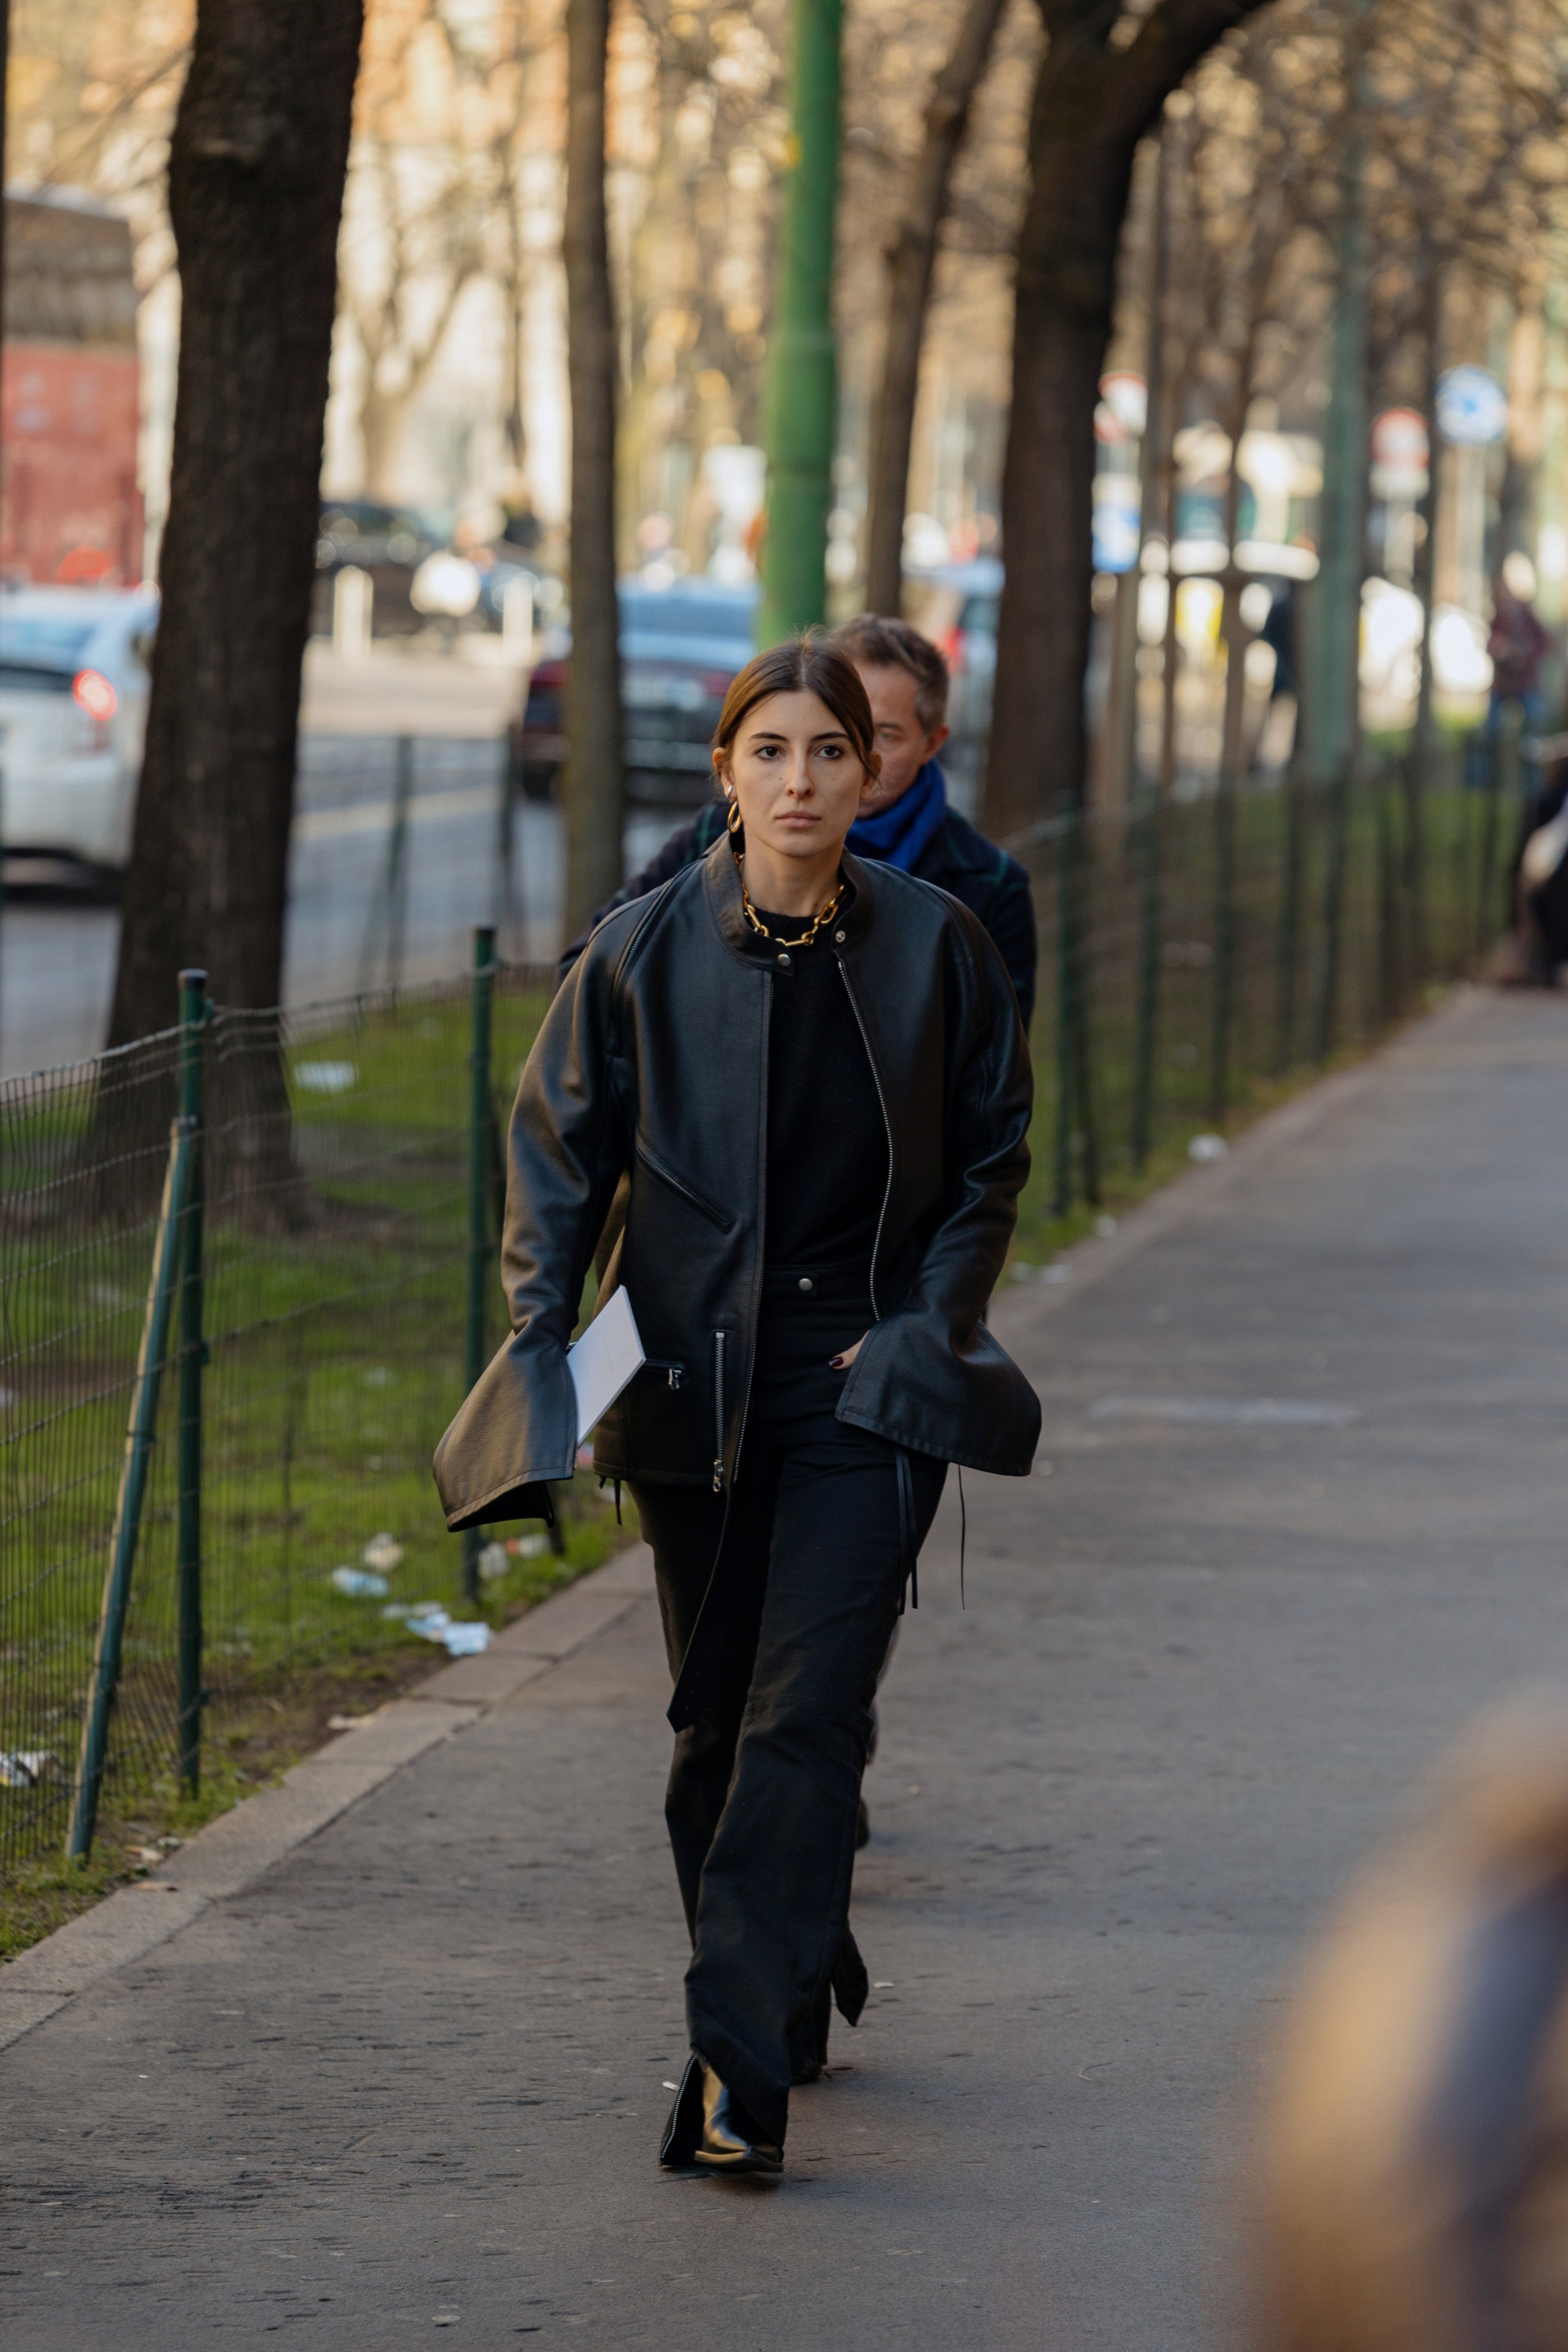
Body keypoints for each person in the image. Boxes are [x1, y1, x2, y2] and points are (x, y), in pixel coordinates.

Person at [435, 634, 1039, 2177]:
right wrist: (535, 1346)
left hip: (861, 1384)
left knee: (808, 1704)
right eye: (767, 751)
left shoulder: (939, 942)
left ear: (870, 769)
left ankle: (729, 2068)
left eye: (828, 752)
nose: (798, 778)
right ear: (724, 773)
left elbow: (986, 1161)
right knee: (715, 1723)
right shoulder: (637, 952)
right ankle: (785, 1948)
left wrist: (923, 1324)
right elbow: (556, 1163)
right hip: (685, 1377)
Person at [557, 613, 1038, 1027]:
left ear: (932, 744)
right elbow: (591, 971)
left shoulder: (988, 885)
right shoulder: (721, 835)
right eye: (775, 748)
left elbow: (987, 1065)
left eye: (878, 736)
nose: (803, 779)